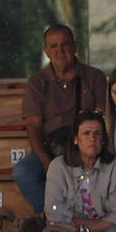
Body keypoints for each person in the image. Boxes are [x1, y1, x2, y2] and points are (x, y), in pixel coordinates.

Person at [12, 25, 109, 214]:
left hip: (86, 145)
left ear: (75, 46)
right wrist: (46, 162)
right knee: (23, 172)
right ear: (46, 51)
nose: (60, 51)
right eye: (54, 46)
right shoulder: (37, 83)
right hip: (51, 147)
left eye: (65, 44)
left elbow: (102, 118)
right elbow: (33, 127)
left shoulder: (94, 77)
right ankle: (52, 216)